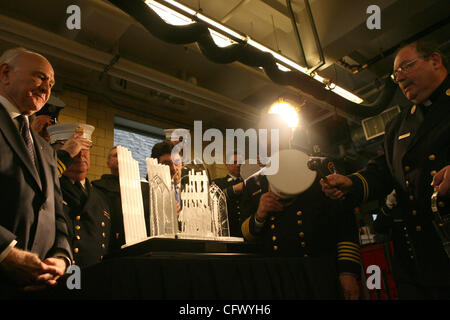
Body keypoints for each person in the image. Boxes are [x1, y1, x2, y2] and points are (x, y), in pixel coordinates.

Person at [320, 40, 450, 299]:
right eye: (395, 74)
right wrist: (351, 183)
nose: (399, 77)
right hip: (417, 255)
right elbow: (382, 172)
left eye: (406, 67)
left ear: (435, 60)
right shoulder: (398, 124)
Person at [240, 113, 361, 300]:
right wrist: (259, 215)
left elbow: (345, 222)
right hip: (278, 279)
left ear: (289, 133)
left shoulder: (319, 166)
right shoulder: (253, 183)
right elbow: (245, 234)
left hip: (320, 273)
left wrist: (348, 272)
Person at [0, 47, 72, 295]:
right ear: (5, 73)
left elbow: (57, 213)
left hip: (41, 286)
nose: (47, 89)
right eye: (40, 77)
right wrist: (5, 252)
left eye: (51, 83)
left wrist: (61, 257)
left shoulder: (44, 148)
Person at [49, 123, 112, 268]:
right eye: (74, 147)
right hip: (61, 275)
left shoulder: (100, 196)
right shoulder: (49, 187)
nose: (81, 154)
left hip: (93, 279)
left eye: (86, 148)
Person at [92, 146, 125, 251]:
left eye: (123, 156)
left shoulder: (138, 188)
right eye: (116, 155)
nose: (120, 158)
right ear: (108, 163)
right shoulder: (97, 186)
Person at [212, 151, 244, 237]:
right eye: (234, 162)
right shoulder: (219, 183)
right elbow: (216, 200)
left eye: (240, 162)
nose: (238, 165)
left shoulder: (247, 182)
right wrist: (233, 190)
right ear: (226, 164)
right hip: (228, 231)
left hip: (245, 231)